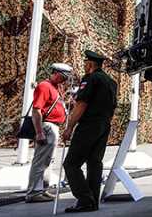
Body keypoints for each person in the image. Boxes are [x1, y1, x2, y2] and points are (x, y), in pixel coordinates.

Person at [62, 50, 118, 213]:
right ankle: (93, 201)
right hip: (104, 125)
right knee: (94, 163)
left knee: (71, 164)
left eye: (85, 63)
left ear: (91, 64)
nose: (84, 65)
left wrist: (70, 127)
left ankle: (84, 199)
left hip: (89, 125)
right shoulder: (111, 82)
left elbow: (81, 105)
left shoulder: (90, 79)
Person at [25, 63, 72, 203]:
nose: (65, 81)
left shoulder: (56, 87)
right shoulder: (44, 86)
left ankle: (42, 189)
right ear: (57, 73)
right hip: (47, 126)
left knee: (48, 160)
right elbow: (36, 110)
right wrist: (39, 132)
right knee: (40, 161)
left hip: (53, 127)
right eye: (64, 77)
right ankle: (34, 192)